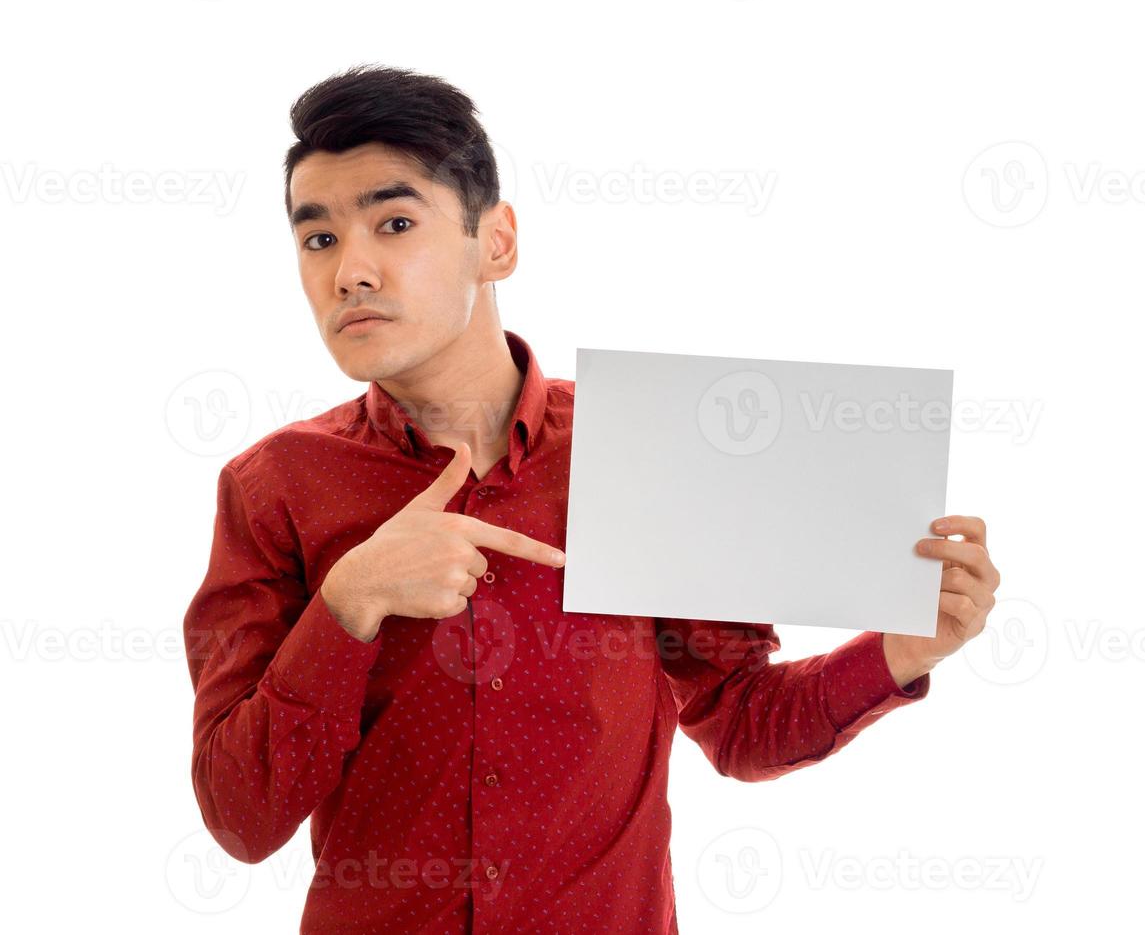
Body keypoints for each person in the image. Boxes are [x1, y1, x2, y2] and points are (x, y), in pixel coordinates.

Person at [182, 64, 1002, 934]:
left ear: (496, 241)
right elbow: (241, 815)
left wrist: (904, 648)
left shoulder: (648, 446)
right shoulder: (272, 488)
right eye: (318, 240)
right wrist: (349, 604)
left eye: (394, 223)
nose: (351, 271)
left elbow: (742, 722)